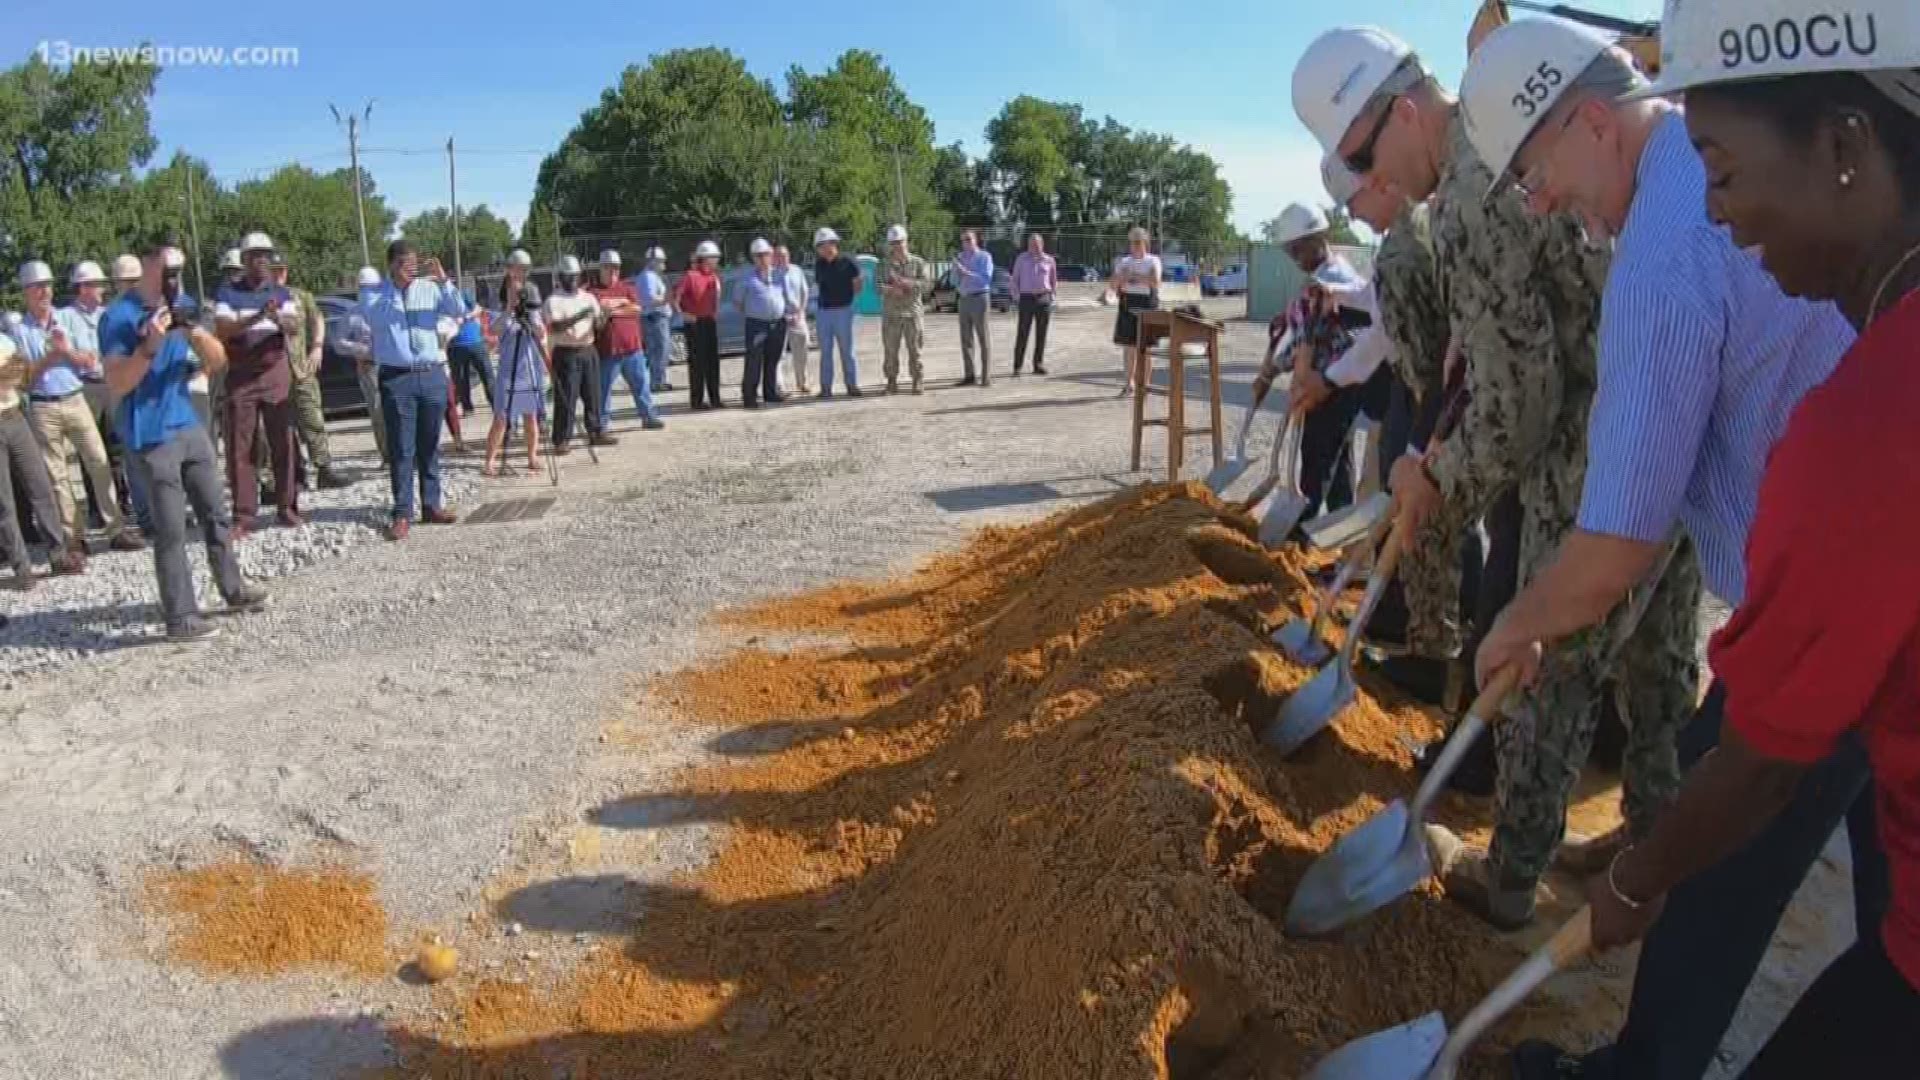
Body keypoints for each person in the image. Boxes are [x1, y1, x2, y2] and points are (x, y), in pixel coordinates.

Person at [1483, 3, 1919, 1074]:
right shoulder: (1726, 199)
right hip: (1867, 631)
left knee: (1713, 836)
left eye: (1536, 170)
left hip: (1840, 621)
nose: (1540, 205)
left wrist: (1523, 620)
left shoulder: (1673, 262)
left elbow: (1624, 539)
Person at [1292, 24, 1702, 930]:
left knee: (1548, 655)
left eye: (1365, 155)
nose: (1379, 183)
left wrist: (1441, 480)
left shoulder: (1475, 187)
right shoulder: (1487, 155)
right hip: (1665, 413)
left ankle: (1512, 872)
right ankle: (1654, 837)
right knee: (1660, 654)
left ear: (1403, 108)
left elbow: (1521, 399)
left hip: (1597, 439)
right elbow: (1499, 355)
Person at [101, 235, 268, 643]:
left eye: (179, 271)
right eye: (169, 271)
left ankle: (232, 588)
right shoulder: (119, 317)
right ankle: (180, 616)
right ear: (148, 266)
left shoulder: (183, 306)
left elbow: (217, 361)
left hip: (187, 423)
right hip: (151, 435)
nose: (175, 279)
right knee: (172, 529)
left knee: (215, 513)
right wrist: (148, 348)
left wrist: (191, 329)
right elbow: (116, 382)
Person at [9, 260, 136, 560]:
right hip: (43, 406)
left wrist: (65, 353)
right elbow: (23, 379)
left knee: (99, 461)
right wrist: (54, 357)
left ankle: (115, 528)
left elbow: (90, 360)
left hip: (75, 396)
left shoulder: (67, 319)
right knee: (58, 475)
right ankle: (74, 537)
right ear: (26, 292)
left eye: (48, 286)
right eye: (38, 287)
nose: (45, 292)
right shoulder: (19, 332)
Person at [356, 239, 465, 540]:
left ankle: (432, 505)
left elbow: (458, 309)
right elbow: (372, 318)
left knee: (430, 444)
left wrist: (444, 281)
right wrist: (395, 294)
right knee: (402, 448)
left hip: (431, 374)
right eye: (406, 264)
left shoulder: (430, 289)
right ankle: (402, 512)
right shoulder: (376, 296)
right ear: (392, 265)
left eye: (415, 263)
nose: (412, 270)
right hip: (397, 378)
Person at [212, 232, 302, 535]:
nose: (261, 260)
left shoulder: (282, 293)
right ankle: (244, 514)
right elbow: (222, 329)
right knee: (241, 445)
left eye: (266, 254)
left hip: (274, 370)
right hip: (241, 374)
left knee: (283, 441)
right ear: (245, 259)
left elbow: (293, 326)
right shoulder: (227, 294)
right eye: (255, 255)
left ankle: (287, 506)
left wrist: (276, 319)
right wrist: (255, 318)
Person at [60, 259, 146, 546]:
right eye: (96, 285)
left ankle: (121, 503)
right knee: (91, 450)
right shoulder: (67, 317)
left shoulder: (106, 314)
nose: (101, 290)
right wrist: (80, 356)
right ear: (83, 288)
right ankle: (98, 509)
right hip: (85, 386)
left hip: (108, 383)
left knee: (115, 446)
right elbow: (68, 350)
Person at [0, 332, 83, 583]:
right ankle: (21, 568)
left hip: (15, 417)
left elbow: (21, 375)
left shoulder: (4, 340)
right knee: (4, 502)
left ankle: (58, 555)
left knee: (41, 486)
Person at [267, 251, 346, 490]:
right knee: (281, 428)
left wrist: (318, 347)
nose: (278, 275)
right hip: (272, 375)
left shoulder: (300, 297)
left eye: (281, 270)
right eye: (273, 271)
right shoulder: (258, 300)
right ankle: (294, 474)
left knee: (312, 419)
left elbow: (317, 318)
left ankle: (324, 468)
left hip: (301, 371)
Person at [543, 255, 614, 452]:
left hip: (588, 348)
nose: (572, 280)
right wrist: (581, 315)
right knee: (567, 396)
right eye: (568, 277)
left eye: (575, 276)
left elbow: (597, 323)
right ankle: (562, 439)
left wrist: (605, 317)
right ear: (561, 277)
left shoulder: (588, 297)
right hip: (566, 352)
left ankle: (596, 431)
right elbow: (556, 327)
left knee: (593, 394)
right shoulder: (554, 300)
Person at [588, 249, 662, 430]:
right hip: (608, 350)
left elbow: (637, 309)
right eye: (608, 268)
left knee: (641, 385)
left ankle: (648, 416)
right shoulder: (592, 291)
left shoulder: (628, 287)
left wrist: (612, 309)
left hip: (632, 348)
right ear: (601, 268)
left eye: (616, 268)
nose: (613, 271)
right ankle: (602, 424)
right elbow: (598, 310)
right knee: (603, 390)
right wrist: (621, 304)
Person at [484, 282, 549, 478]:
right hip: (507, 374)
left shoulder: (531, 314)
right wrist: (508, 310)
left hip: (526, 373)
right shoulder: (502, 315)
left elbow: (541, 332)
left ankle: (532, 456)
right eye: (513, 293)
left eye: (520, 293)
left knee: (530, 417)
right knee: (501, 419)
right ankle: (489, 460)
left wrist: (531, 315)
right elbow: (494, 331)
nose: (517, 296)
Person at [734, 238, 788, 409]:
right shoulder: (746, 278)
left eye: (765, 254)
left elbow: (785, 296)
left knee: (773, 359)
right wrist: (755, 313)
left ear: (771, 255)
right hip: (757, 324)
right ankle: (749, 397)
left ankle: (770, 393)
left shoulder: (779, 275)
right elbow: (738, 302)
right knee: (754, 361)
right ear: (753, 258)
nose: (763, 258)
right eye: (758, 256)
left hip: (778, 323)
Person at [1109, 226, 1162, 396]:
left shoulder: (1153, 260)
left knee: (1146, 349)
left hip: (1147, 306)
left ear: (1145, 243)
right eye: (1133, 242)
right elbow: (1113, 284)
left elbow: (1155, 282)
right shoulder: (1123, 262)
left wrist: (1133, 277)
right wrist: (1124, 277)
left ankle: (1144, 386)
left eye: (1138, 242)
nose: (1135, 245)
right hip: (1127, 305)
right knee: (1129, 348)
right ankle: (1128, 384)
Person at [879, 224, 931, 395]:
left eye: (900, 242)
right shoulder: (884, 265)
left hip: (912, 313)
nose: (897, 246)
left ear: (906, 241)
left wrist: (909, 284)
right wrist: (892, 290)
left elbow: (926, 284)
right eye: (894, 243)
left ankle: (917, 380)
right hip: (892, 314)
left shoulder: (918, 262)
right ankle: (891, 381)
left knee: (915, 349)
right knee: (890, 350)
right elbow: (877, 286)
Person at [673, 241, 724, 410]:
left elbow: (715, 298)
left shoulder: (713, 277)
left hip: (709, 321)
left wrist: (715, 312)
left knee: (712, 361)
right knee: (697, 363)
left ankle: (715, 398)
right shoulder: (690, 276)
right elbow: (675, 298)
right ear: (705, 259)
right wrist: (683, 314)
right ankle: (697, 401)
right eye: (713, 258)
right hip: (695, 323)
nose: (716, 261)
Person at [812, 228, 863, 397]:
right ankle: (826, 388)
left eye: (828, 244)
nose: (825, 248)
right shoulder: (819, 264)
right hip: (824, 312)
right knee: (825, 352)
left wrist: (848, 303)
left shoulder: (849, 261)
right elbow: (820, 286)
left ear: (834, 244)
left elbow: (857, 284)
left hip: (843, 311)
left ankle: (852, 385)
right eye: (820, 246)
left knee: (847, 351)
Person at [1010, 232, 1057, 376]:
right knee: (1023, 333)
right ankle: (1017, 366)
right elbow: (1014, 279)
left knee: (1041, 334)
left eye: (1037, 244)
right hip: (1026, 299)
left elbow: (1053, 279)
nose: (1034, 246)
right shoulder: (1021, 259)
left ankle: (1038, 365)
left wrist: (1052, 296)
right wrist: (1017, 297)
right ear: (1028, 245)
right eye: (1032, 244)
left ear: (1042, 244)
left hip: (1043, 299)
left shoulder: (1049, 260)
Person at [446, 279, 493, 419]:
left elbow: (478, 309)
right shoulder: (444, 300)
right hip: (464, 344)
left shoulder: (455, 296)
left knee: (476, 377)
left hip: (466, 344)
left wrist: (465, 317)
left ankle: (484, 405)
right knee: (471, 378)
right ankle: (475, 407)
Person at [953, 229, 994, 387]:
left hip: (980, 297)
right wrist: (957, 274)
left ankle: (986, 377)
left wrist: (967, 273)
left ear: (976, 240)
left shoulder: (984, 256)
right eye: (963, 240)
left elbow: (986, 278)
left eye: (969, 239)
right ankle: (969, 375)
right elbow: (954, 281)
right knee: (966, 338)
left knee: (983, 337)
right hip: (964, 299)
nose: (966, 243)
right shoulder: (960, 257)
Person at [773, 241, 812, 396]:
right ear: (774, 257)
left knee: (802, 351)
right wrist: (781, 315)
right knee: (778, 354)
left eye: (784, 255)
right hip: (779, 318)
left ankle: (802, 382)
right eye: (778, 255)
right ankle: (779, 387)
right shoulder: (770, 273)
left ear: (789, 256)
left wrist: (801, 312)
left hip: (798, 316)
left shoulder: (797, 271)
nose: (782, 258)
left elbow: (804, 292)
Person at [636, 246, 673, 393]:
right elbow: (649, 299)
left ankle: (659, 380)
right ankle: (657, 382)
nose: (663, 264)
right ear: (653, 261)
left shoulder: (652, 276)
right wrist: (665, 300)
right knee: (659, 350)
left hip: (657, 317)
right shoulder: (648, 277)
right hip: (655, 317)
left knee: (660, 351)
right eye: (661, 261)